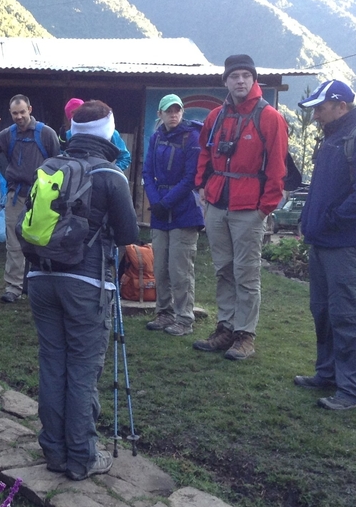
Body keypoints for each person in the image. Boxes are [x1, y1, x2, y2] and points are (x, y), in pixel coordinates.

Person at [27, 100, 139, 481]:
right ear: (109, 131)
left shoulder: (48, 167)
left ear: (72, 131)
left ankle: (54, 451)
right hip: (87, 283)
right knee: (82, 370)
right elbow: (128, 235)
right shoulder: (111, 175)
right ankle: (81, 456)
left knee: (52, 363)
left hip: (40, 278)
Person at [295, 80, 356, 410]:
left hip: (349, 244)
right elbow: (321, 190)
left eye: (321, 108)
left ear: (341, 107)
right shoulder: (333, 139)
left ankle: (355, 392)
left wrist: (331, 219)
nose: (316, 115)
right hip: (323, 241)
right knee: (323, 311)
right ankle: (329, 373)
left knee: (347, 314)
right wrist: (310, 223)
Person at [193, 54, 288, 360]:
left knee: (245, 272)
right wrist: (201, 187)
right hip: (218, 202)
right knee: (223, 269)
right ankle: (225, 328)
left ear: (254, 79)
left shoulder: (269, 117)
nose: (241, 81)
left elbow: (277, 166)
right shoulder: (216, 116)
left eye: (246, 75)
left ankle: (245, 335)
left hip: (250, 206)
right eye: (235, 76)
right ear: (226, 81)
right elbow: (205, 154)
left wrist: (266, 206)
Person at [0, 94, 61, 303]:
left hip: (41, 199)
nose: (19, 117)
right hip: (16, 196)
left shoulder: (46, 134)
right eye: (15, 113)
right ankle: (13, 288)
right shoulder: (8, 135)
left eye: (22, 112)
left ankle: (40, 287)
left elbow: (59, 163)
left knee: (41, 242)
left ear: (30, 110)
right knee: (14, 244)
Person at [142, 94, 204, 336]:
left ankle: (184, 319)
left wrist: (165, 202)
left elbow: (191, 177)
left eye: (177, 110)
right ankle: (163, 312)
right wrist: (156, 201)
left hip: (184, 210)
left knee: (180, 269)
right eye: (169, 111)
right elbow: (147, 171)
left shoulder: (192, 138)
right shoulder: (156, 137)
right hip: (160, 212)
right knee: (160, 267)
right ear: (160, 114)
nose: (174, 114)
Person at [63, 97, 131, 171]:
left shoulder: (110, 133)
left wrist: (112, 171)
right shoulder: (67, 135)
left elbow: (125, 157)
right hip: (75, 177)